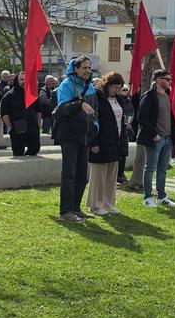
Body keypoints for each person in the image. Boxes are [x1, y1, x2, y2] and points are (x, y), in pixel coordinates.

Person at [55, 56, 98, 223]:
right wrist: (79, 104)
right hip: (70, 136)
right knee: (69, 174)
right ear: (76, 69)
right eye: (84, 67)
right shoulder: (66, 85)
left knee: (82, 176)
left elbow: (95, 111)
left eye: (89, 67)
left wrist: (96, 126)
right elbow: (62, 108)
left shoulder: (91, 88)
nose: (88, 70)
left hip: (85, 136)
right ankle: (65, 211)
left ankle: (75, 207)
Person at [136, 68, 175, 209]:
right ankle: (147, 197)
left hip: (167, 138)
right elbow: (142, 118)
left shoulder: (168, 95)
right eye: (168, 79)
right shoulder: (149, 96)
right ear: (159, 80)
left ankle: (161, 196)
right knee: (150, 168)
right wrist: (154, 134)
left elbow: (171, 115)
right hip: (155, 138)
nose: (170, 81)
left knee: (163, 169)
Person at [86, 71, 128, 215]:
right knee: (98, 176)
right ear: (107, 84)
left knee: (111, 177)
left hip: (115, 142)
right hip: (101, 141)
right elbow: (92, 121)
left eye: (119, 87)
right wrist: (94, 142)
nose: (117, 90)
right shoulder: (97, 97)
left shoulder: (119, 99)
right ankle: (95, 205)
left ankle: (108, 204)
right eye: (115, 87)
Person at [1, 71, 42, 157]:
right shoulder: (9, 95)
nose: (24, 81)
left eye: (26, 79)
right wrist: (10, 127)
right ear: (17, 80)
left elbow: (38, 110)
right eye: (22, 79)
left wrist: (38, 124)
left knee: (35, 149)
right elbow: (4, 114)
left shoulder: (32, 94)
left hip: (32, 126)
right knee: (18, 152)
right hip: (17, 127)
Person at [118, 84, 135, 183]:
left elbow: (132, 112)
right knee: (119, 153)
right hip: (119, 128)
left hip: (126, 128)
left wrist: (129, 122)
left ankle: (121, 173)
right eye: (123, 89)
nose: (125, 91)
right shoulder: (117, 99)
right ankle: (118, 174)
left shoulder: (128, 100)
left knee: (124, 153)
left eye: (126, 90)